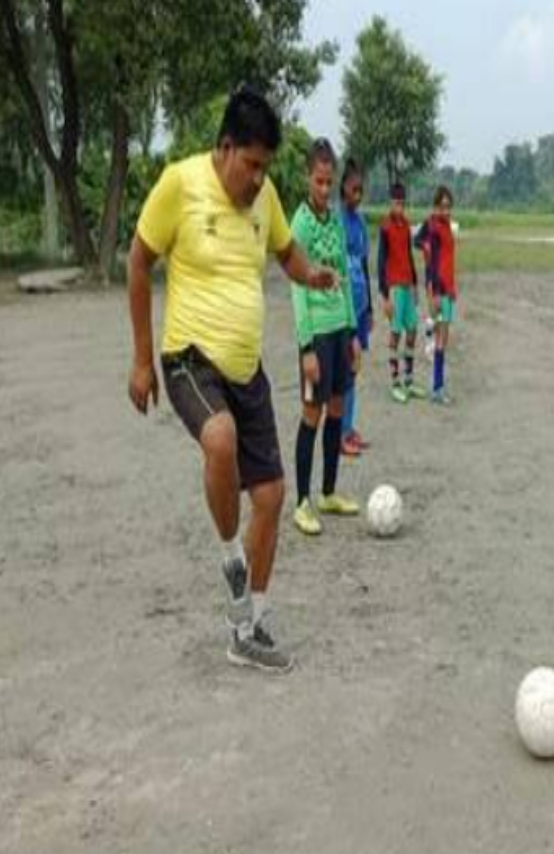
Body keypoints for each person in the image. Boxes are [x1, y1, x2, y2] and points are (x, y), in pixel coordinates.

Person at [126, 86, 338, 673]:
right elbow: (139, 261)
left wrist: (312, 276)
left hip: (248, 371)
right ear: (224, 148)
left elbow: (286, 252)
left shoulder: (264, 197)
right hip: (189, 359)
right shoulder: (180, 185)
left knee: (270, 499)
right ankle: (229, 558)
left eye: (265, 168)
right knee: (217, 440)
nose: (257, 179)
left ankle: (248, 628)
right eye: (251, 165)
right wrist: (142, 359)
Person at [290, 138, 362, 537]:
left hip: (339, 331)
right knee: (311, 414)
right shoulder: (299, 223)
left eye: (328, 182)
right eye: (318, 181)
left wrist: (352, 333)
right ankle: (302, 503)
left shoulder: (335, 219)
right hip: (315, 334)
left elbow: (347, 282)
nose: (323, 189)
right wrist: (305, 348)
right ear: (307, 177)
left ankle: (329, 492)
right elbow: (297, 288)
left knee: (336, 409)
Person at [377, 183, 423, 404]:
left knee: (412, 331)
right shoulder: (385, 227)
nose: (399, 206)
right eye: (396, 202)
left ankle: (409, 380)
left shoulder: (405, 225)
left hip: (407, 285)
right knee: (395, 334)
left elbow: (409, 255)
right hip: (394, 287)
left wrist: (415, 285)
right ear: (390, 202)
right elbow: (379, 262)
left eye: (402, 202)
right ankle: (395, 383)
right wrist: (385, 297)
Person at [339, 159, 373, 456]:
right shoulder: (336, 220)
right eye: (354, 190)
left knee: (355, 368)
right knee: (345, 368)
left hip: (361, 305)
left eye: (361, 190)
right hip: (342, 307)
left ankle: (348, 428)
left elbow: (364, 264)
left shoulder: (361, 223)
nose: (358, 196)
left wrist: (371, 308)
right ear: (343, 189)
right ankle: (340, 432)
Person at [415, 186, 459, 405]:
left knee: (444, 339)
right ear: (435, 206)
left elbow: (448, 261)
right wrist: (433, 293)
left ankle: (438, 387)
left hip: (448, 290)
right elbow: (432, 264)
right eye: (442, 207)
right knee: (441, 339)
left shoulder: (447, 227)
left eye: (448, 207)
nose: (446, 211)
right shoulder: (432, 227)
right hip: (439, 290)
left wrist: (452, 289)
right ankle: (437, 388)